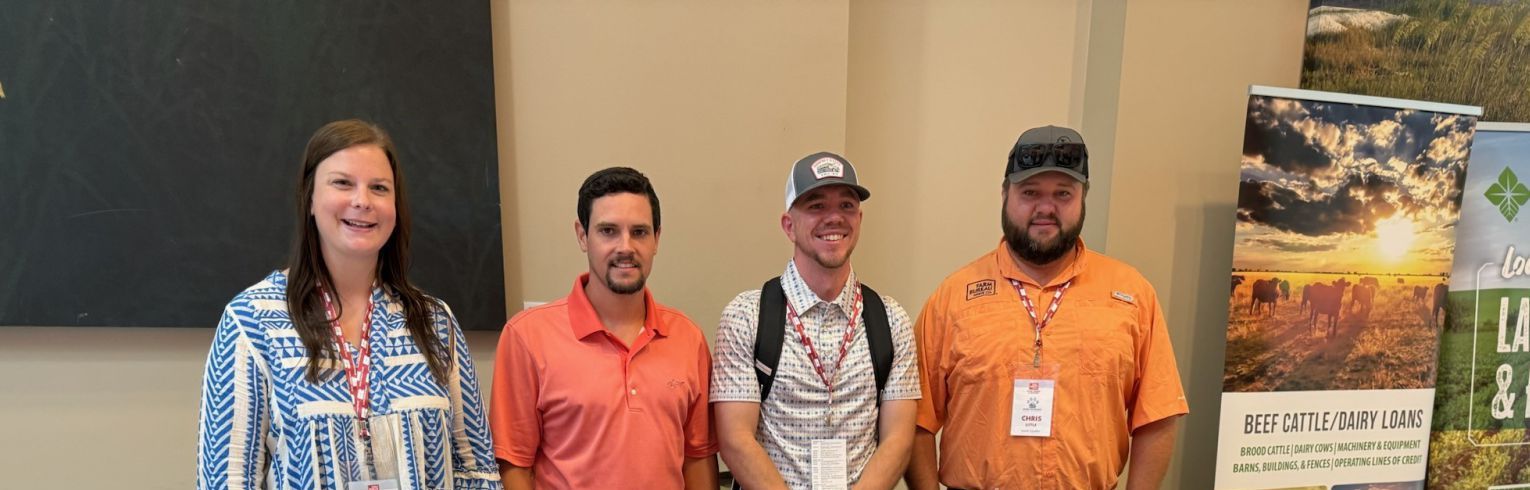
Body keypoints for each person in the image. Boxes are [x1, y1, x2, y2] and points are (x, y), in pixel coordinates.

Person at [196, 119, 501, 489]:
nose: (362, 201)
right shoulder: (252, 321)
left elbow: (477, 471)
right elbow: (227, 480)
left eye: (379, 188)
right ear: (310, 198)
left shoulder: (434, 321)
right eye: (342, 183)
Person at [904, 126, 1187, 489]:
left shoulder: (1132, 295)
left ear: (1083, 198)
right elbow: (915, 419)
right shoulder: (953, 298)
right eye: (1030, 192)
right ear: (1005, 194)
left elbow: (1157, 416)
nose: (1045, 208)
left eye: (1063, 193)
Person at [489, 167, 718, 489]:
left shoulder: (688, 337)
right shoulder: (527, 337)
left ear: (657, 238)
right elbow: (514, 465)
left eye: (639, 232)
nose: (626, 247)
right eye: (608, 231)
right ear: (582, 236)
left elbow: (698, 457)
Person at [712, 152, 919, 489]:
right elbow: (735, 440)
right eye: (816, 205)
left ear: (859, 219)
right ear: (789, 226)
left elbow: (898, 440)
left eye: (846, 205)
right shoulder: (746, 317)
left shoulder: (891, 321)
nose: (834, 217)